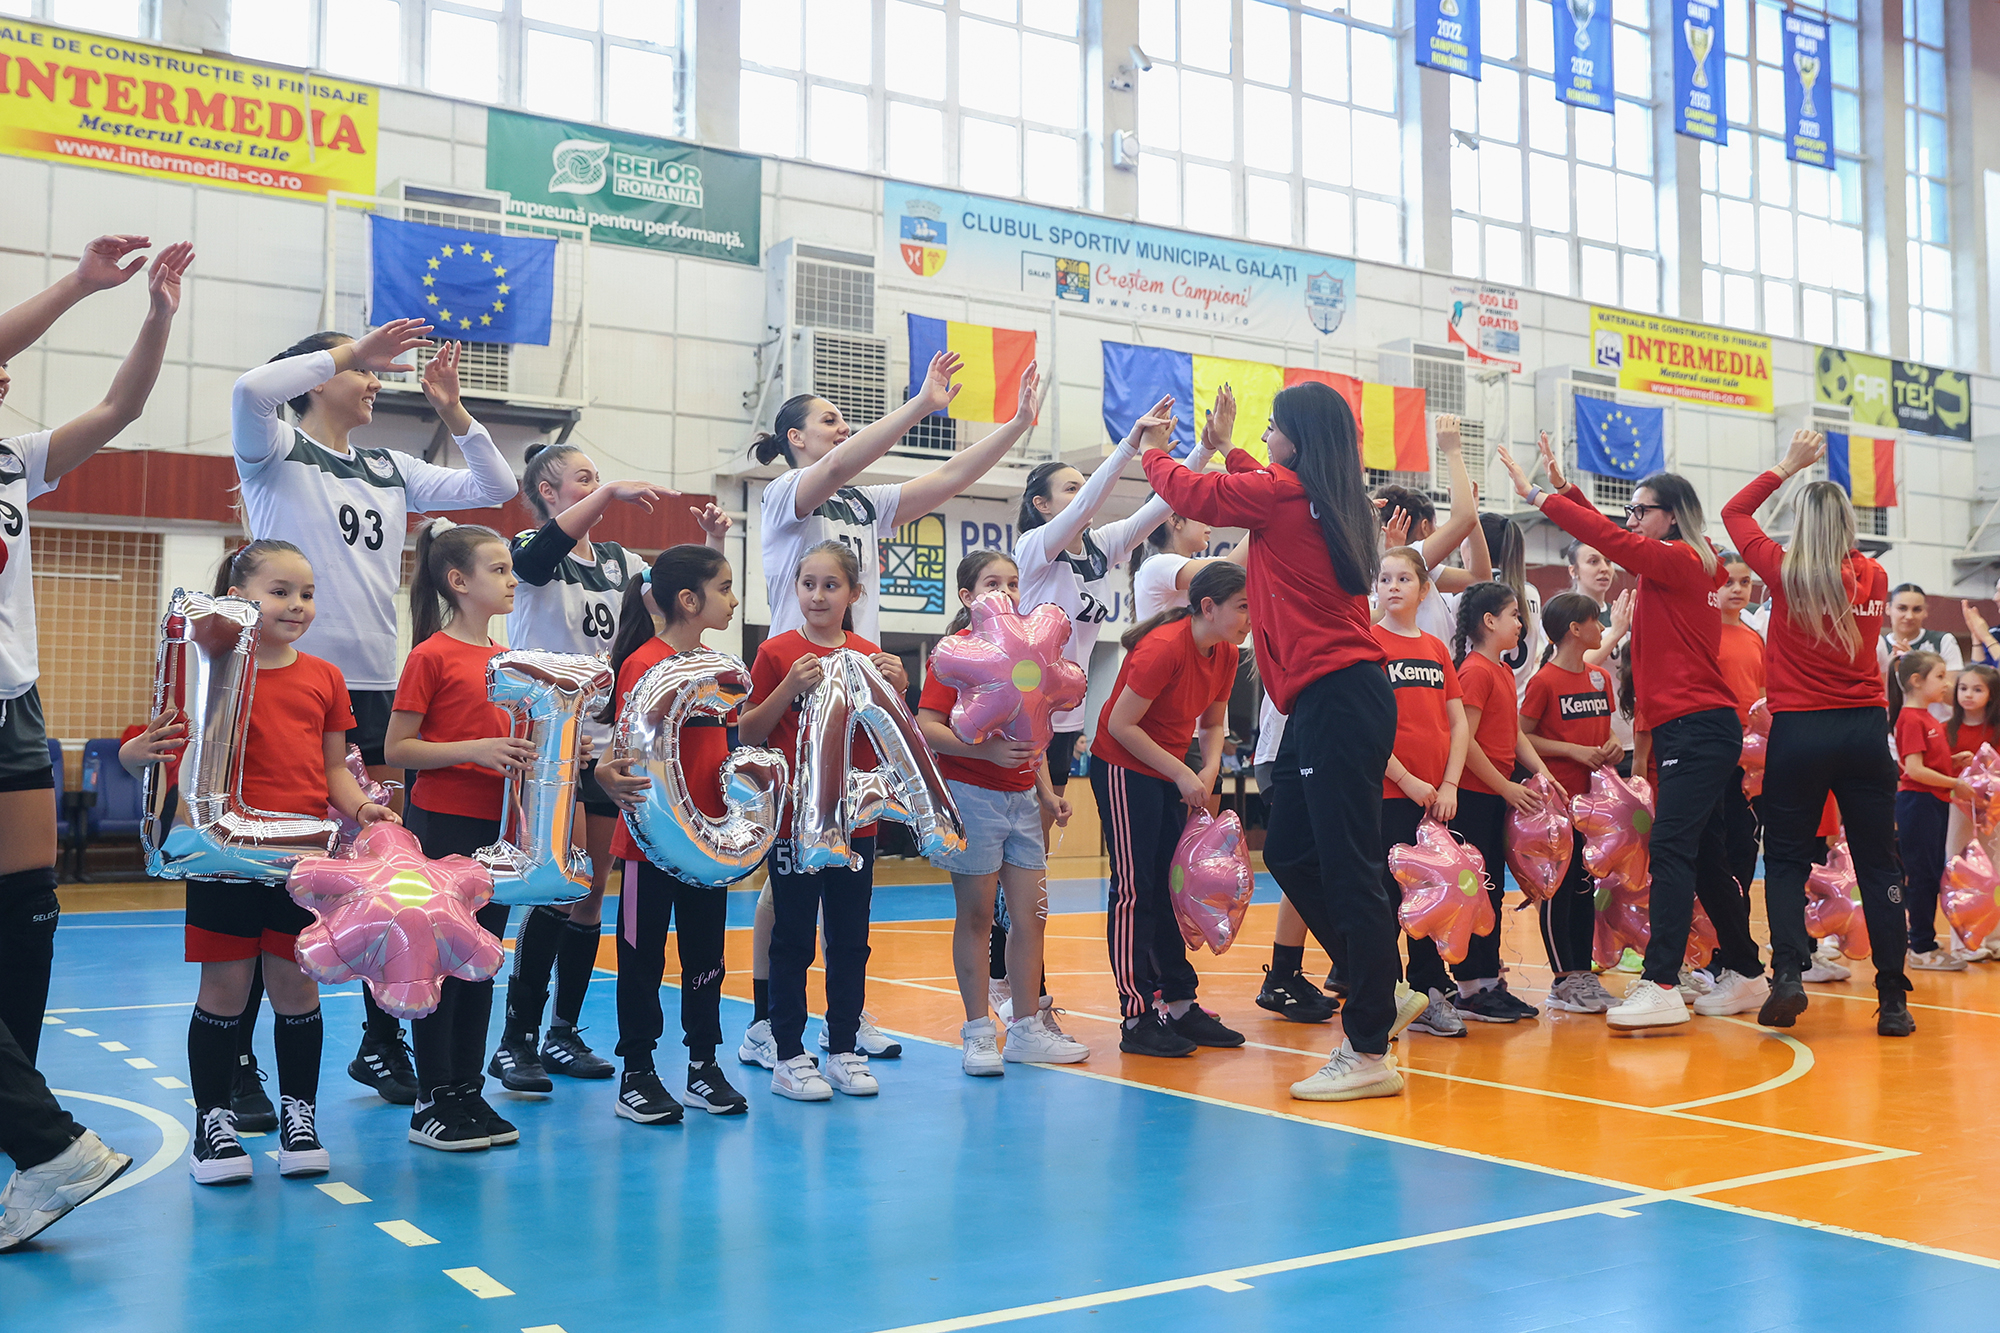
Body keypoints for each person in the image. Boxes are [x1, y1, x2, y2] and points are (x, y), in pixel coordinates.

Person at [233, 328, 518, 1105]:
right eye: (361, 371)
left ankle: (382, 1039)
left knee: (385, 871)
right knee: (275, 870)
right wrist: (350, 347)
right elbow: (248, 388)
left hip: (368, 689)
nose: (373, 381)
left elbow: (492, 485)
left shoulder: (391, 468)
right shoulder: (276, 449)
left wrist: (455, 410)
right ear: (319, 377)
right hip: (282, 684)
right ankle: (242, 1061)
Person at [741, 357, 1043, 1065]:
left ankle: (845, 1014)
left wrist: (1016, 426)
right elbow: (855, 455)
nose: (841, 428)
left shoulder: (864, 505)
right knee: (790, 882)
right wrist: (920, 405)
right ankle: (765, 1021)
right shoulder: (791, 493)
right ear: (794, 438)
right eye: (828, 420)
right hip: (801, 697)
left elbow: (952, 478)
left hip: (863, 698)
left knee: (843, 871)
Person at [1142, 381, 1426, 1102]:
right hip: (1325, 701)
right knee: (1296, 850)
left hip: (1339, 696)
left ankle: (1368, 1047)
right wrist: (1236, 443)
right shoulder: (1321, 496)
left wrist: (1150, 451)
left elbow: (1200, 493)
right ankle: (1378, 985)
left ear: (1297, 438)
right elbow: (1255, 482)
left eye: (1272, 430)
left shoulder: (1283, 495)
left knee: (1350, 864)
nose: (1265, 439)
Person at [0, 237, 187, 1231]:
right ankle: (50, 1142)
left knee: (23, 921)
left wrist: (152, 314)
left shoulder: (12, 459)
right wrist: (76, 283)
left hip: (13, 707)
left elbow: (121, 411)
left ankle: (37, 1155)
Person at [1497, 435, 1766, 1030]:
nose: (1633, 519)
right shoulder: (1675, 565)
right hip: (1684, 731)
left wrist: (1539, 496)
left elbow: (1610, 540)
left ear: (1671, 515)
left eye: (1641, 509)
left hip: (1699, 729)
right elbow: (1612, 534)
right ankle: (1746, 971)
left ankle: (1662, 981)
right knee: (1704, 856)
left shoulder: (1682, 559)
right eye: (1631, 511)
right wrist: (1567, 489)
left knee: (1672, 848)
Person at [149, 542, 398, 1182]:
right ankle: (216, 1124)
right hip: (223, 860)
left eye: (307, 594)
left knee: (296, 988)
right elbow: (156, 748)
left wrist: (361, 809)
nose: (296, 605)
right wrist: (134, 760)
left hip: (301, 863)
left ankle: (300, 1118)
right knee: (225, 991)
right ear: (239, 596)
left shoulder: (324, 677)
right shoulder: (208, 669)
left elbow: (332, 772)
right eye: (280, 591)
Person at [485, 442, 702, 1093]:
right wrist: (605, 497)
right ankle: (515, 1040)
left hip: (609, 740)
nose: (598, 486)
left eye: (597, 478)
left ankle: (563, 1030)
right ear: (548, 491)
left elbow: (660, 609)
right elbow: (535, 558)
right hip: (553, 741)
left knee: (588, 894)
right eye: (583, 479)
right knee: (557, 884)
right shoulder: (529, 548)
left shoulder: (621, 562)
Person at [1000, 392, 1200, 1028]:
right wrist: (1132, 445)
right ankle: (1015, 988)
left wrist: (1205, 450)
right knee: (1015, 855)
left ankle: (1023, 984)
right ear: (1041, 505)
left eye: (1080, 487)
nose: (1082, 494)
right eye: (1067, 488)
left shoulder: (1099, 550)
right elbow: (1093, 505)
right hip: (1014, 720)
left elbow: (1160, 506)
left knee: (1034, 859)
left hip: (1061, 728)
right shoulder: (1036, 549)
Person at [1719, 431, 1912, 1033]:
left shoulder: (1781, 571)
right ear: (1849, 524)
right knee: (1881, 865)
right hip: (1864, 730)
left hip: (1801, 732)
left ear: (1802, 524)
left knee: (1784, 860)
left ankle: (1788, 974)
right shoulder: (1875, 579)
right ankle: (1893, 998)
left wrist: (1786, 465)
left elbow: (1733, 512)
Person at [384, 521, 535, 1150]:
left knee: (481, 961)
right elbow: (399, 749)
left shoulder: (509, 660)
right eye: (498, 569)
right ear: (458, 581)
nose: (510, 579)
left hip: (497, 829)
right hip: (441, 827)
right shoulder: (431, 655)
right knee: (439, 962)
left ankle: (467, 1091)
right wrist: (478, 749)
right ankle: (432, 1100)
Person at [741, 542, 909, 1100]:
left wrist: (898, 689)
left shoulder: (868, 654)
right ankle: (788, 1053)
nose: (817, 595)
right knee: (792, 938)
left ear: (854, 594)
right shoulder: (775, 652)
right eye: (808, 583)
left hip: (856, 821)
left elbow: (892, 738)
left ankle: (842, 1049)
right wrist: (788, 686)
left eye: (830, 585)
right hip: (796, 822)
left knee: (850, 938)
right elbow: (747, 732)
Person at [592, 541, 750, 1123]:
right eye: (726, 588)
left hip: (707, 844)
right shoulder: (643, 663)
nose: (734, 600)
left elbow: (729, 744)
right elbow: (623, 747)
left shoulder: (718, 668)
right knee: (643, 957)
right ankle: (637, 1072)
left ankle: (703, 1065)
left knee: (707, 954)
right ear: (689, 599)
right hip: (649, 845)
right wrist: (603, 769)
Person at [916, 552, 1090, 1075]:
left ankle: (1025, 1027)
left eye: (1013, 583)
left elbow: (1028, 732)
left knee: (1030, 916)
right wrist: (983, 754)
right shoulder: (958, 654)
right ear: (968, 596)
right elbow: (927, 726)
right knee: (975, 917)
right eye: (993, 583)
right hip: (973, 796)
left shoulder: (1030, 659)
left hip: (1021, 801)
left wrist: (1044, 791)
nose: (1008, 592)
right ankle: (977, 1033)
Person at [1090, 562, 1253, 1057]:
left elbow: (1211, 724)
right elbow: (1121, 725)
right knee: (1135, 891)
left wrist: (1205, 770)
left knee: (1169, 887)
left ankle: (1180, 1003)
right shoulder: (1163, 647)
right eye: (1244, 606)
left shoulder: (1225, 653)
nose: (1252, 615)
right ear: (1209, 607)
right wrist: (1183, 772)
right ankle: (1136, 1016)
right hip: (1124, 767)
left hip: (1168, 769)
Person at [1447, 581, 1559, 1023]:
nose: (1521, 622)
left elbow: (1511, 733)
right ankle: (1471, 988)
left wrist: (1541, 774)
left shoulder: (1502, 671)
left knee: (1491, 890)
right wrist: (1505, 786)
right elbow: (1466, 741)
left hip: (1495, 796)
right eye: (1514, 614)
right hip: (1476, 797)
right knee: (1474, 894)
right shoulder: (1474, 671)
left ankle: (1489, 982)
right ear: (1489, 621)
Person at [1371, 547, 1470, 1039]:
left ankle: (1431, 992)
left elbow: (1457, 721)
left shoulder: (1435, 647)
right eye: (1385, 578)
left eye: (1404, 578)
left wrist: (1449, 783)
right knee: (1388, 900)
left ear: (1424, 588)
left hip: (1435, 802)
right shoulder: (1368, 642)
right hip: (1388, 796)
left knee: (1433, 897)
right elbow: (1364, 726)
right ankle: (1387, 998)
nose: (1393, 586)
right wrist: (1405, 779)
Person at [1521, 594, 1622, 1012]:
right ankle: (1562, 980)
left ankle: (1582, 972)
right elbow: (1520, 736)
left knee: (1585, 888)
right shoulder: (1543, 682)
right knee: (1557, 891)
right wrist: (1572, 752)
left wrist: (1612, 747)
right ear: (1574, 630)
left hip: (1594, 804)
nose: (1602, 628)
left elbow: (1608, 731)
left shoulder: (1600, 677)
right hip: (1557, 805)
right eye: (1594, 621)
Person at [1369, 414, 1490, 646]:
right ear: (1424, 525)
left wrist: (1472, 517)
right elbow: (1464, 518)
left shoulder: (1403, 567)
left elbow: (1479, 577)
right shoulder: (1412, 558)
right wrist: (1452, 451)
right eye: (1436, 525)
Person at [1890, 651, 1970, 973]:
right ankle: (1920, 946)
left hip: (1933, 803)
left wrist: (1953, 761)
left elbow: (1928, 764)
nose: (1946, 683)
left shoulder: (1928, 717)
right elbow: (1914, 770)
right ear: (1916, 682)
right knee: (1922, 875)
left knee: (1932, 871)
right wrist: (1954, 782)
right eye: (1939, 677)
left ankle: (1925, 941)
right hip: (1918, 804)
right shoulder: (1910, 718)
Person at [1716, 553, 1768, 931]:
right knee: (1718, 849)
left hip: (1753, 761)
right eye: (1729, 581)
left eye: (1745, 582)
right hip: (1716, 751)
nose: (1737, 589)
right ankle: (1712, 945)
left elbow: (1763, 695)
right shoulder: (1702, 632)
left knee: (1746, 848)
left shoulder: (1754, 637)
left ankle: (1738, 940)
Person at [1879, 584, 1961, 722]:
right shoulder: (1878, 644)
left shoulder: (1943, 641)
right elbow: (1880, 696)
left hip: (1939, 725)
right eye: (1902, 608)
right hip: (1895, 730)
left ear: (1925, 612)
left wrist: (1915, 664)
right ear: (1888, 609)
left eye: (1917, 609)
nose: (1909, 616)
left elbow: (1954, 698)